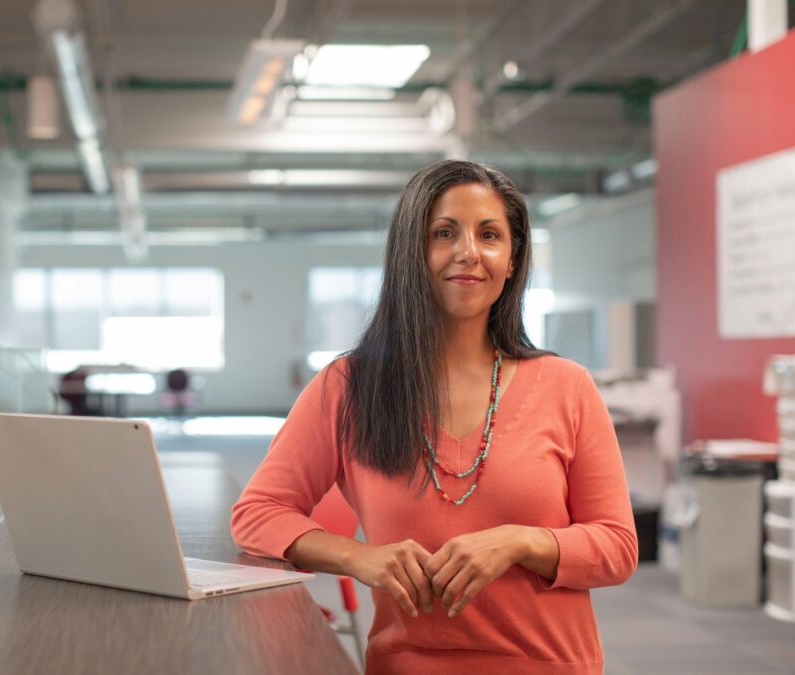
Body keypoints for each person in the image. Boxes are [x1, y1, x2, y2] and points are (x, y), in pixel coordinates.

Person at [231, 160, 637, 674]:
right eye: (444, 233)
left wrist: (521, 541)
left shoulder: (567, 386)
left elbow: (618, 546)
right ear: (413, 253)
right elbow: (258, 512)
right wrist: (358, 557)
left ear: (512, 260)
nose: (469, 251)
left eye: (490, 235)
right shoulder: (349, 387)